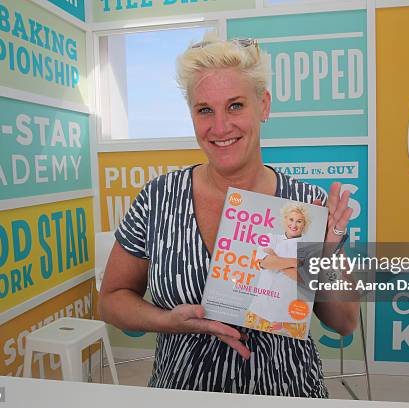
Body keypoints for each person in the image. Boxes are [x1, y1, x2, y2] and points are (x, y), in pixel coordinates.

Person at [98, 32, 359, 397]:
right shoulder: (158, 197)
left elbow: (344, 323)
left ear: (263, 106)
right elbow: (111, 298)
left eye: (235, 105)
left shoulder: (306, 203)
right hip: (183, 391)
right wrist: (166, 321)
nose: (219, 127)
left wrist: (325, 255)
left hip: (287, 391)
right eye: (205, 110)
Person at [246, 204, 312, 338]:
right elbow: (264, 263)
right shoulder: (270, 238)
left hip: (289, 317)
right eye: (291, 219)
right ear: (285, 219)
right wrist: (295, 262)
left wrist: (275, 260)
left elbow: (302, 279)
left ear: (304, 224)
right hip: (259, 310)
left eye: (299, 221)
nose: (294, 224)